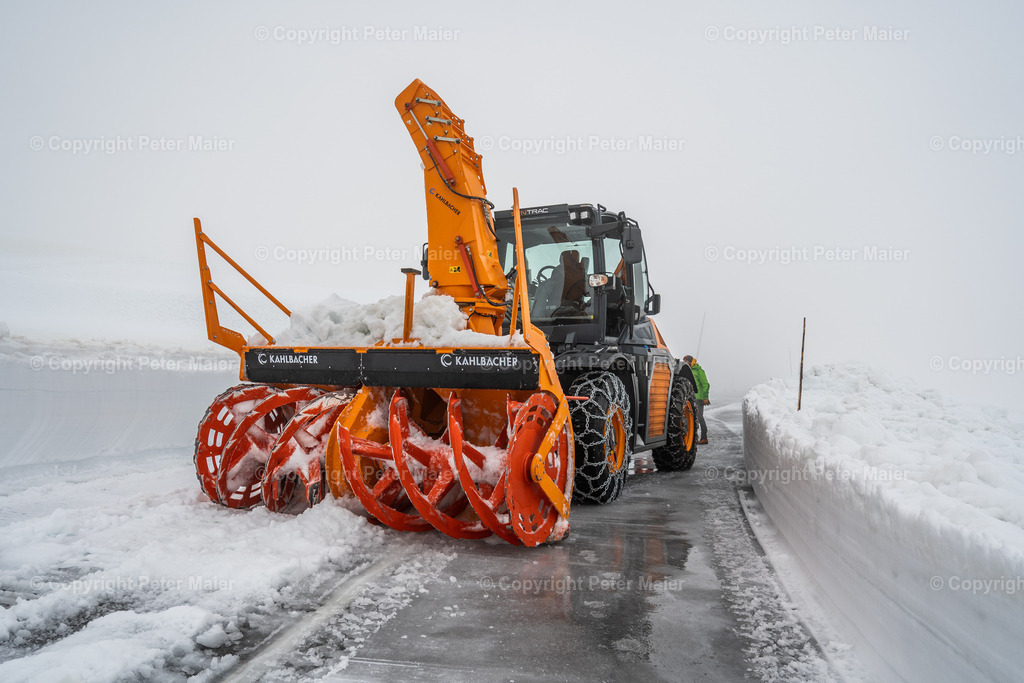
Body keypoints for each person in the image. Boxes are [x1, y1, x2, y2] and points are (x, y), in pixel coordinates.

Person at [683, 355, 710, 444]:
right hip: (689, 398)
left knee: (699, 417)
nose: (685, 363)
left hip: (698, 398)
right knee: (690, 418)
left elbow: (705, 384)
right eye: (684, 361)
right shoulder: (686, 371)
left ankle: (704, 437)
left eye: (686, 361)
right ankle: (691, 438)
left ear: (691, 362)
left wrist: (705, 397)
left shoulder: (699, 371)